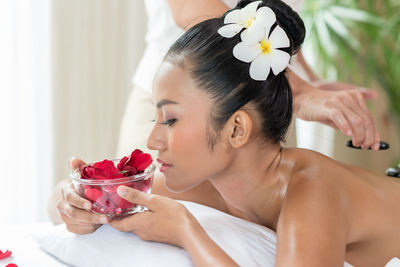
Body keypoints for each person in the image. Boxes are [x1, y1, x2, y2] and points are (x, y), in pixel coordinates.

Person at [48, 1, 400, 266]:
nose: (153, 140)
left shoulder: (313, 193)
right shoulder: (212, 180)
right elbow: (62, 204)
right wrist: (72, 200)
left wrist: (186, 230)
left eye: (169, 120)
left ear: (236, 128)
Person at [116, 0, 380, 163]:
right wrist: (299, 92)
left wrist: (309, 81)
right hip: (184, 100)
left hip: (271, 102)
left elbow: (273, 21)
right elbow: (193, 9)